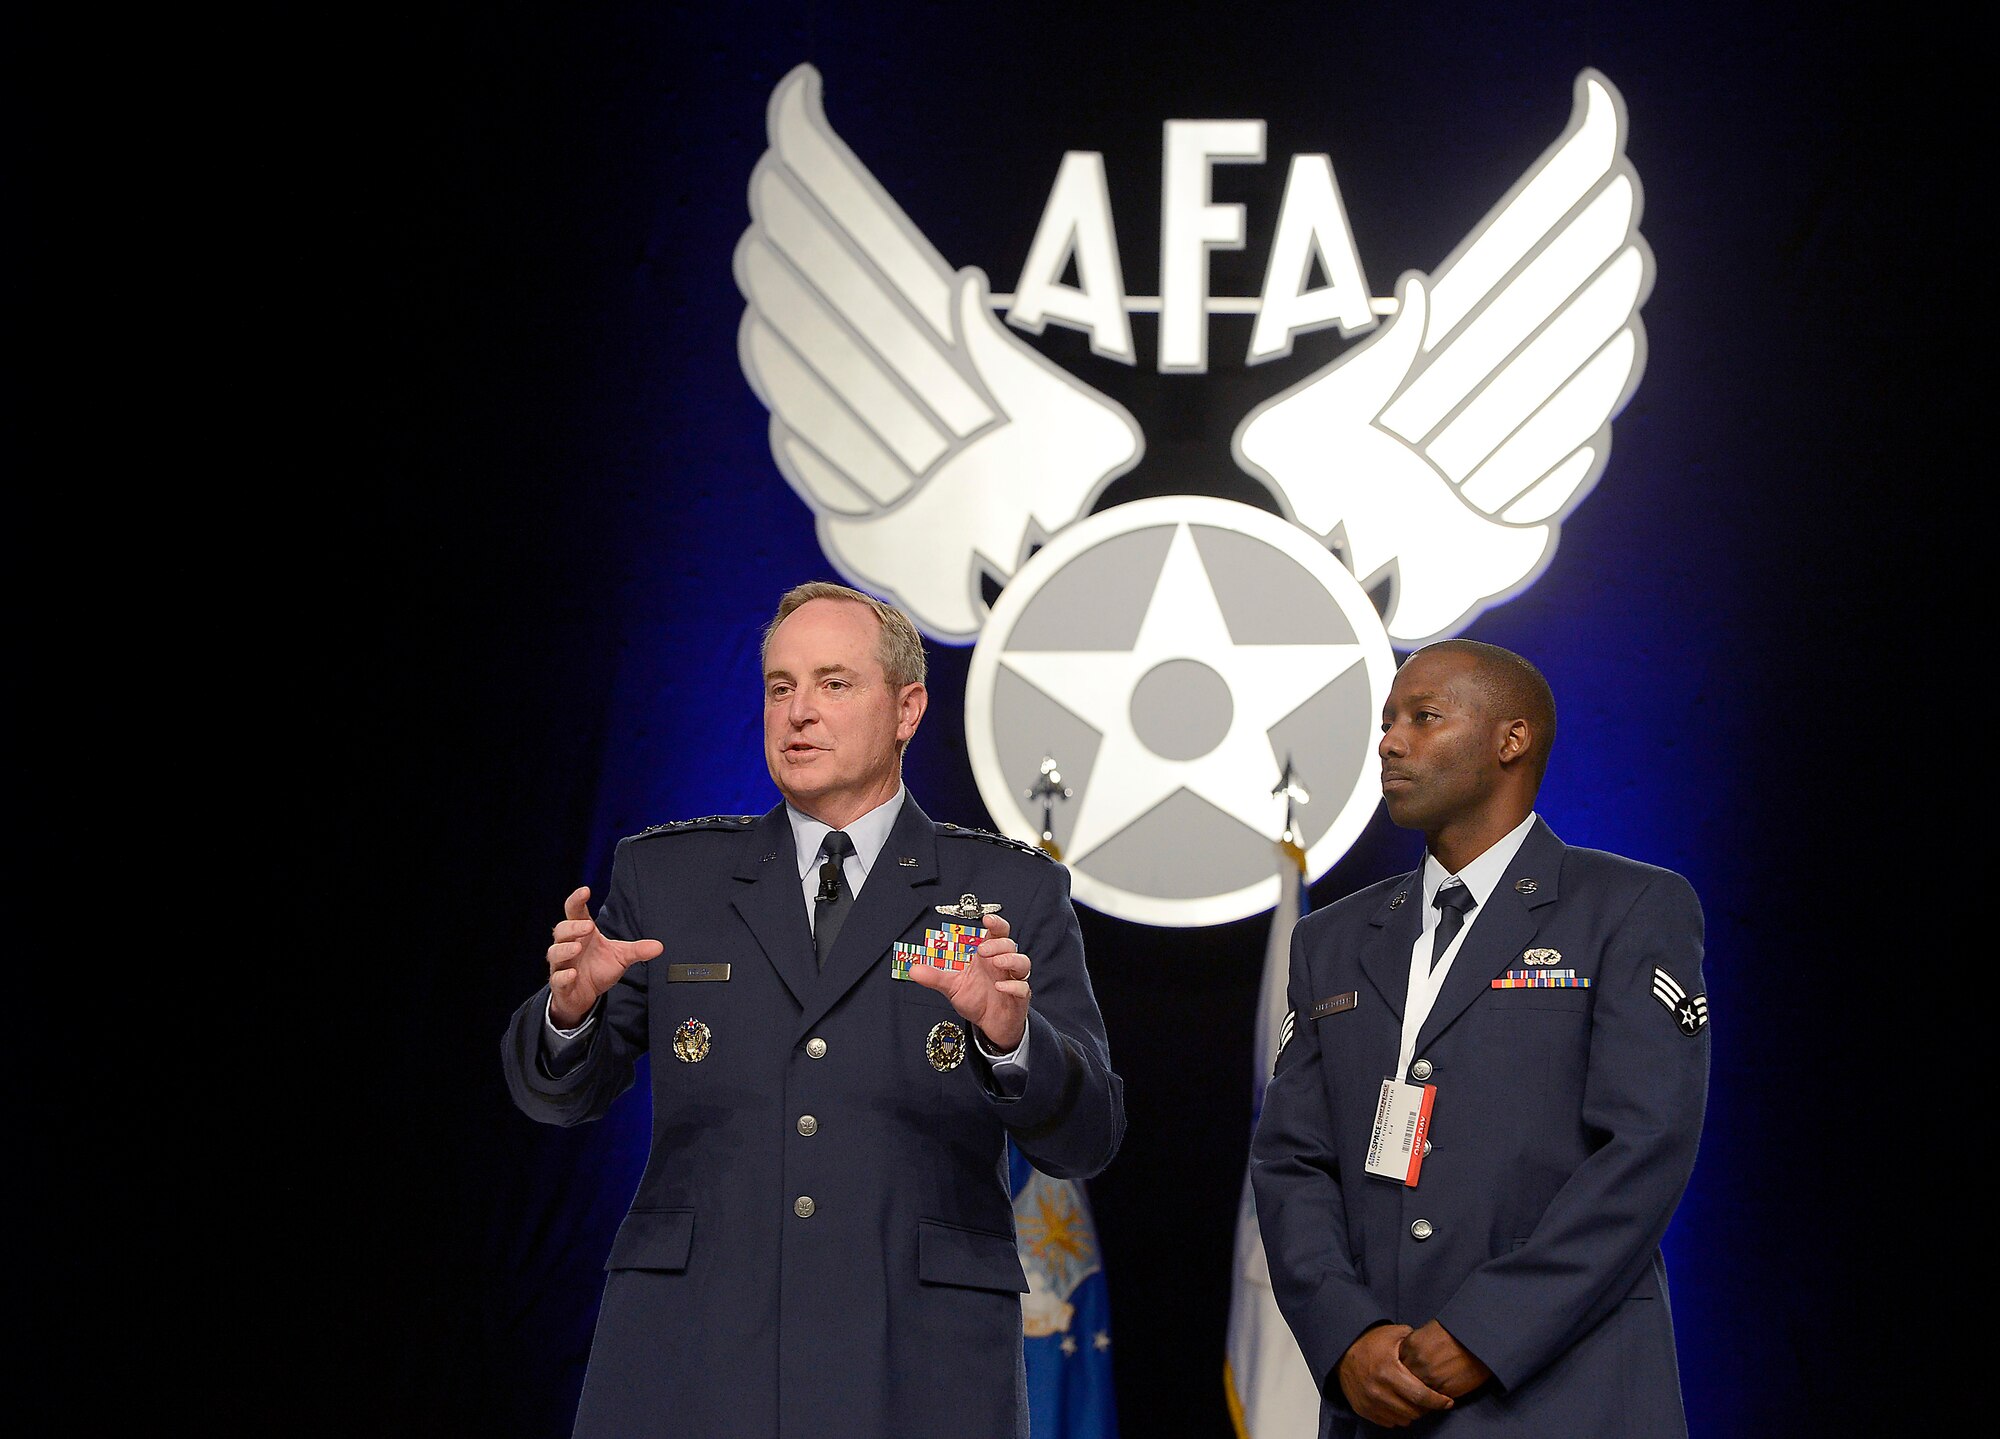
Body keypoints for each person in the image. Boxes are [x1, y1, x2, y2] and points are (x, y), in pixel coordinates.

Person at [502, 581, 1124, 1439]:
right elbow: (558, 1095)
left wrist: (1013, 1041)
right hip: (695, 1359)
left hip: (916, 1364)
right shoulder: (670, 880)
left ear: (907, 709)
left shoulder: (1008, 890)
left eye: (833, 684)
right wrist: (569, 1015)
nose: (799, 712)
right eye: (780, 686)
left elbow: (1088, 1134)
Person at [1250, 640, 1708, 1436]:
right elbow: (1291, 1158)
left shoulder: (1630, 907)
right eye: (1388, 722)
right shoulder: (1332, 937)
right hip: (1379, 1400)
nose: (1389, 741)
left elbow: (1644, 1147)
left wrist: (1487, 1330)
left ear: (1512, 739)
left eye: (1423, 718)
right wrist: (1346, 1335)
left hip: (1569, 1391)